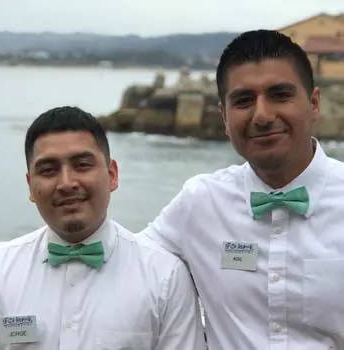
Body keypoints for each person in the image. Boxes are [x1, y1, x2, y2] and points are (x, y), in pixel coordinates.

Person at [140, 29, 344, 349]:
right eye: (244, 100)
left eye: (280, 94)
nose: (262, 116)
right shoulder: (201, 202)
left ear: (314, 104)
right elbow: (128, 265)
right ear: (223, 116)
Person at [0, 107, 205, 350]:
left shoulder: (165, 276)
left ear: (112, 174)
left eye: (82, 165)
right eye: (48, 170)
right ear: (31, 186)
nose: (66, 183)